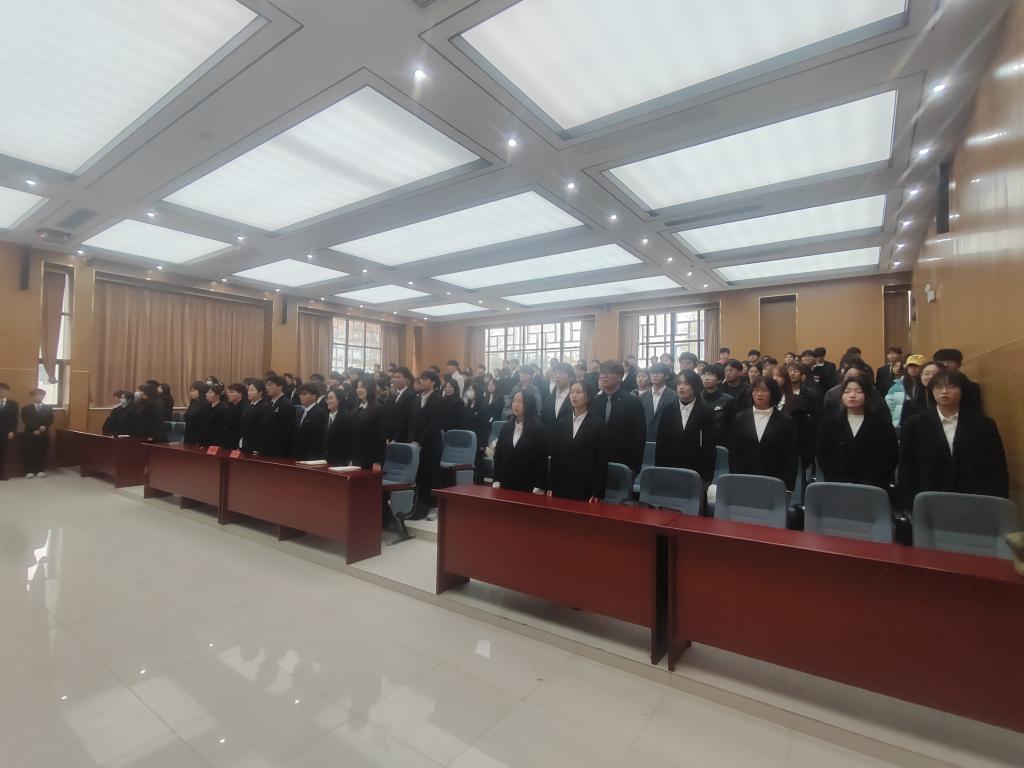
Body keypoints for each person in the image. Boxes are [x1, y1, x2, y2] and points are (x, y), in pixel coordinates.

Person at [899, 369, 1008, 509]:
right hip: (930, 500)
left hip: (975, 499)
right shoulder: (915, 424)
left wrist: (999, 504)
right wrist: (908, 505)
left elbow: (998, 467)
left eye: (951, 386)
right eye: (939, 387)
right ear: (931, 391)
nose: (944, 391)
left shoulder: (984, 425)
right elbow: (907, 468)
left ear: (963, 390)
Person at [816, 375, 899, 489]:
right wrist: (838, 480)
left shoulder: (882, 425)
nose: (852, 395)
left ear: (868, 395)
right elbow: (823, 454)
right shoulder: (829, 424)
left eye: (858, 391)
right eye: (847, 391)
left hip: (872, 487)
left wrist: (870, 482)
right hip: (837, 485)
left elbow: (889, 457)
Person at [728, 376, 799, 491]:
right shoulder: (740, 418)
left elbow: (791, 456)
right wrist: (735, 479)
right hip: (745, 477)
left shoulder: (786, 421)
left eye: (764, 390)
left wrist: (788, 487)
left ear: (773, 393)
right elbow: (734, 452)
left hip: (774, 479)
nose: (759, 394)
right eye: (756, 390)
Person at [655, 369, 717, 486]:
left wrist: (707, 478)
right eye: (679, 383)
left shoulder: (705, 411)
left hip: (696, 470)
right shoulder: (668, 410)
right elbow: (661, 444)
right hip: (671, 468)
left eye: (686, 383)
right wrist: (660, 471)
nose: (681, 387)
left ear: (695, 386)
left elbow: (709, 447)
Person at [547, 382, 607, 502]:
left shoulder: (598, 425)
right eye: (571, 392)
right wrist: (550, 485)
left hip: (585, 485)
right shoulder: (561, 423)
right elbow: (555, 456)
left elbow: (601, 461)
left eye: (578, 392)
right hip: (561, 484)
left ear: (587, 397)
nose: (574, 395)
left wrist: (597, 491)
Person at [589, 360, 646, 474]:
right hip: (596, 460)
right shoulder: (594, 401)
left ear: (620, 377)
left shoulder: (632, 402)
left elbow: (639, 436)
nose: (605, 376)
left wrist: (634, 467)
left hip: (623, 460)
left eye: (609, 373)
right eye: (603, 373)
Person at [492, 390, 548, 493]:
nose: (516, 405)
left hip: (528, 485)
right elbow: (498, 455)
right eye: (514, 401)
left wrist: (539, 486)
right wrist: (496, 479)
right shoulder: (506, 427)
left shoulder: (538, 429)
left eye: (520, 401)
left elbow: (542, 461)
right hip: (505, 483)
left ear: (528, 404)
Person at [410, 370, 444, 517]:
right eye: (421, 379)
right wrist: (413, 439)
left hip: (431, 443)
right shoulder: (417, 398)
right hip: (416, 442)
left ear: (433, 382)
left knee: (432, 474)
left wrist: (420, 441)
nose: (422, 381)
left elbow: (433, 425)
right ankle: (420, 504)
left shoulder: (438, 400)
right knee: (419, 474)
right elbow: (412, 421)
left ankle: (434, 506)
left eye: (425, 379)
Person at [347, 376, 385, 470]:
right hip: (356, 455)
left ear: (370, 389)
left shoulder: (378, 408)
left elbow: (380, 437)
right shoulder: (357, 408)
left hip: (370, 457)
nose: (359, 390)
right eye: (358, 387)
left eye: (362, 387)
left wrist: (377, 461)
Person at [932, 348, 984, 412]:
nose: (945, 365)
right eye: (942, 362)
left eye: (950, 362)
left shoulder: (972, 387)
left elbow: (976, 410)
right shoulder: (930, 383)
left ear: (959, 365)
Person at [884, 354, 926, 428]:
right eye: (910, 366)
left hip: (923, 423)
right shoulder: (897, 386)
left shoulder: (927, 386)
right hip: (900, 425)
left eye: (916, 366)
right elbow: (889, 407)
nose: (913, 369)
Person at [19, 389, 53, 478]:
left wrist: (43, 427)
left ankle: (40, 470)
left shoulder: (48, 408)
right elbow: (26, 420)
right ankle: (29, 471)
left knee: (42, 452)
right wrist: (37, 428)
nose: (39, 397)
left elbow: (50, 420)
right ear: (32, 396)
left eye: (41, 395)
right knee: (29, 452)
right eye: (36, 395)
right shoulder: (26, 408)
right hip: (30, 433)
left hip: (43, 433)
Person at [700, 364, 735, 447]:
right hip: (700, 444)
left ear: (719, 380)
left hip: (721, 444)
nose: (706, 378)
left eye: (710, 375)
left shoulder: (728, 400)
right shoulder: (697, 399)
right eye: (704, 375)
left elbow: (732, 428)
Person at [292, 383, 328, 460]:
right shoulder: (301, 411)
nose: (301, 396)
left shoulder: (319, 413)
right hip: (297, 455)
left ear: (314, 396)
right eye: (300, 394)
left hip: (310, 457)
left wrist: (311, 458)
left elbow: (317, 439)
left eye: (304, 394)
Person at [262, 374, 296, 457]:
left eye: (270, 385)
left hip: (279, 450)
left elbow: (287, 431)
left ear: (280, 387)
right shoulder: (269, 403)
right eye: (266, 385)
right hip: (266, 447)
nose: (267, 387)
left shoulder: (287, 405)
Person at [639, 362, 673, 441]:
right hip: (645, 439)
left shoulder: (674, 397)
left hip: (667, 439)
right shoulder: (641, 398)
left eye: (658, 373)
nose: (654, 375)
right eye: (652, 373)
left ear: (666, 376)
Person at [384, 366, 416, 443]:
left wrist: (396, 439)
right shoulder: (393, 396)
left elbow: (405, 420)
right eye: (394, 377)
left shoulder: (411, 396)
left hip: (402, 438)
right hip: (391, 437)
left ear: (407, 379)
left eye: (398, 377)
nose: (395, 380)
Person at [542, 362, 574, 428]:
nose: (557, 376)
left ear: (570, 377)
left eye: (561, 373)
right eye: (555, 373)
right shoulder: (548, 400)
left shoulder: (574, 399)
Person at [240, 379, 268, 453]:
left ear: (260, 392)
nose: (249, 392)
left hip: (255, 445)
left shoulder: (264, 407)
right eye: (248, 390)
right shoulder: (250, 405)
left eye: (252, 390)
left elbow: (261, 429)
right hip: (246, 442)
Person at [323, 389, 349, 465]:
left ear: (339, 400)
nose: (328, 401)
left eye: (331, 398)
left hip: (338, 460)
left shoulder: (346, 418)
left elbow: (345, 442)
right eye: (327, 398)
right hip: (324, 459)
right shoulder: (325, 416)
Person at [219, 384, 246, 449]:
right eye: (228, 392)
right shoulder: (229, 406)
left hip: (236, 443)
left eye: (231, 392)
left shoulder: (244, 408)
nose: (228, 394)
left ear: (240, 394)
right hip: (226, 441)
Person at [0, 383, 17, 480]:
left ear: (7, 392)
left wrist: (12, 431)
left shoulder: (13, 404)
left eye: (4, 390)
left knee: (4, 452)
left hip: (7, 432)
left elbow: (14, 419)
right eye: (0, 390)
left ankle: (2, 473)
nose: (1, 392)